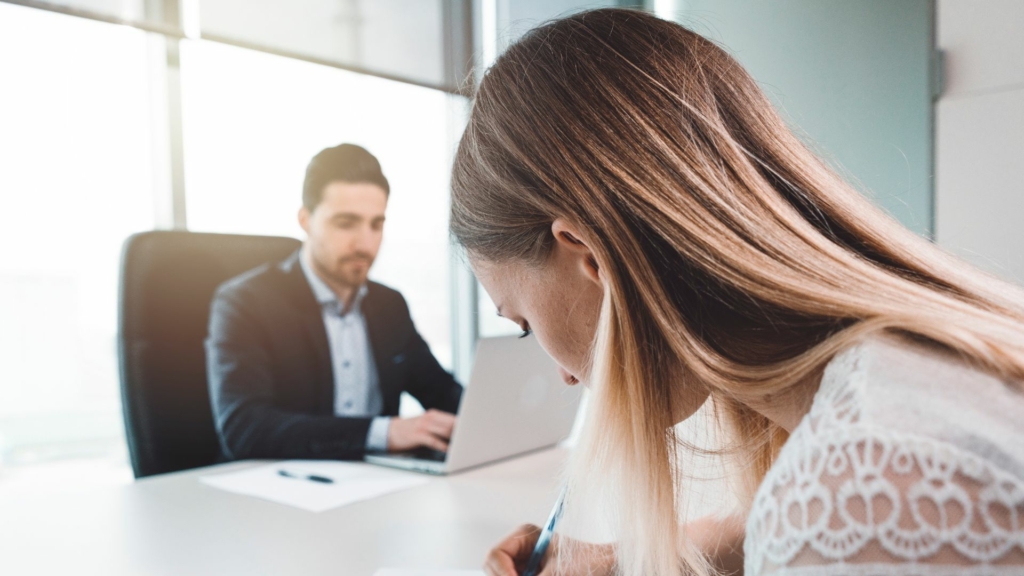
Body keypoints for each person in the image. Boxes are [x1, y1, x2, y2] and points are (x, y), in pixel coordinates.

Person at [449, 9, 1024, 576]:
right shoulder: (916, 375)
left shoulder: (844, 495)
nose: (565, 377)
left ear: (589, 256)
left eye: (524, 323)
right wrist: (619, 560)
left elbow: (842, 523)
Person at [206, 143, 462, 461]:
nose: (365, 243)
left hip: (380, 480)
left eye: (376, 224)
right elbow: (244, 429)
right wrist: (383, 433)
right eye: (346, 223)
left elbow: (442, 392)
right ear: (305, 220)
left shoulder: (389, 305)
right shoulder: (246, 304)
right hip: (287, 481)